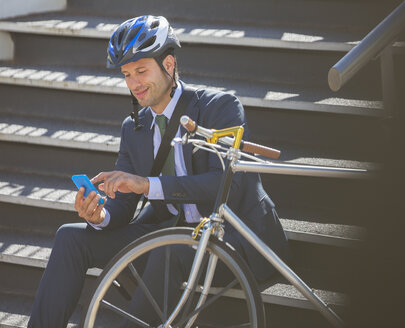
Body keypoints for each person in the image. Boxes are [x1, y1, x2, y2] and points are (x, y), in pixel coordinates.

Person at [28, 15, 288, 327]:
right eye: (126, 75)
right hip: (173, 232)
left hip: (234, 238)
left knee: (167, 252)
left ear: (168, 64)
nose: (134, 83)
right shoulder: (134, 128)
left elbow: (225, 186)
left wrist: (145, 184)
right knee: (70, 238)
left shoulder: (219, 106)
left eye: (141, 70)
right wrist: (100, 216)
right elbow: (123, 205)